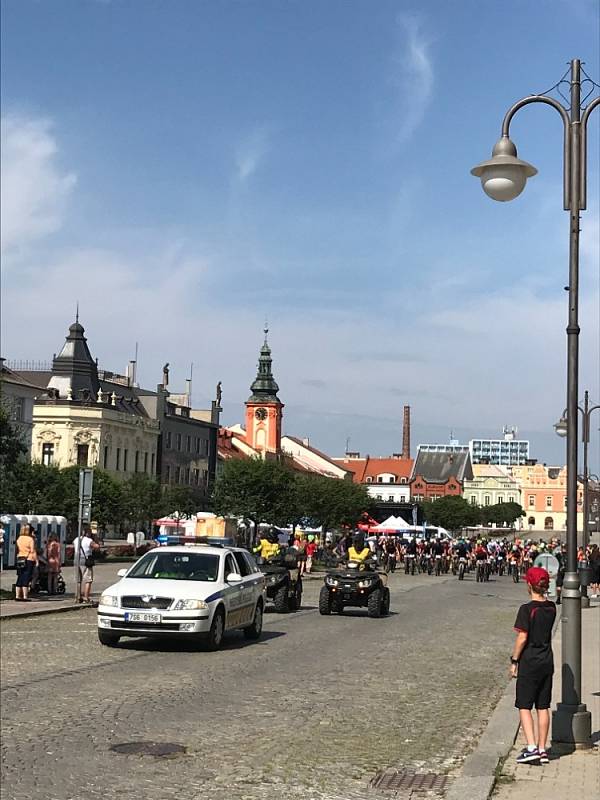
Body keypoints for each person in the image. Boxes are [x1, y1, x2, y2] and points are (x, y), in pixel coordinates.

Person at [510, 566, 556, 765]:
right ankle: (542, 748)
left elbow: (522, 637)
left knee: (524, 705)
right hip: (547, 660)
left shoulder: (526, 609)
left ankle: (530, 748)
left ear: (529, 585)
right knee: (543, 706)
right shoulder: (552, 607)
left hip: (529, 661)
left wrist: (514, 660)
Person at [72, 527, 99, 603]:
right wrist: (95, 538)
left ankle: (78, 597)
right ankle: (86, 597)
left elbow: (74, 547)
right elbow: (97, 547)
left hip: (76, 560)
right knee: (88, 580)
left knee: (78, 580)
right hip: (86, 561)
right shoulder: (89, 540)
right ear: (89, 533)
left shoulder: (76, 539)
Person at [15, 525, 38, 601]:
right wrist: (36, 561)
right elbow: (33, 551)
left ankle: (17, 595)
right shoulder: (30, 539)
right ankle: (25, 596)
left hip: (20, 558)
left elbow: (17, 549)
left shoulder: (19, 538)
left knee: (20, 576)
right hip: (29, 559)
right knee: (26, 577)